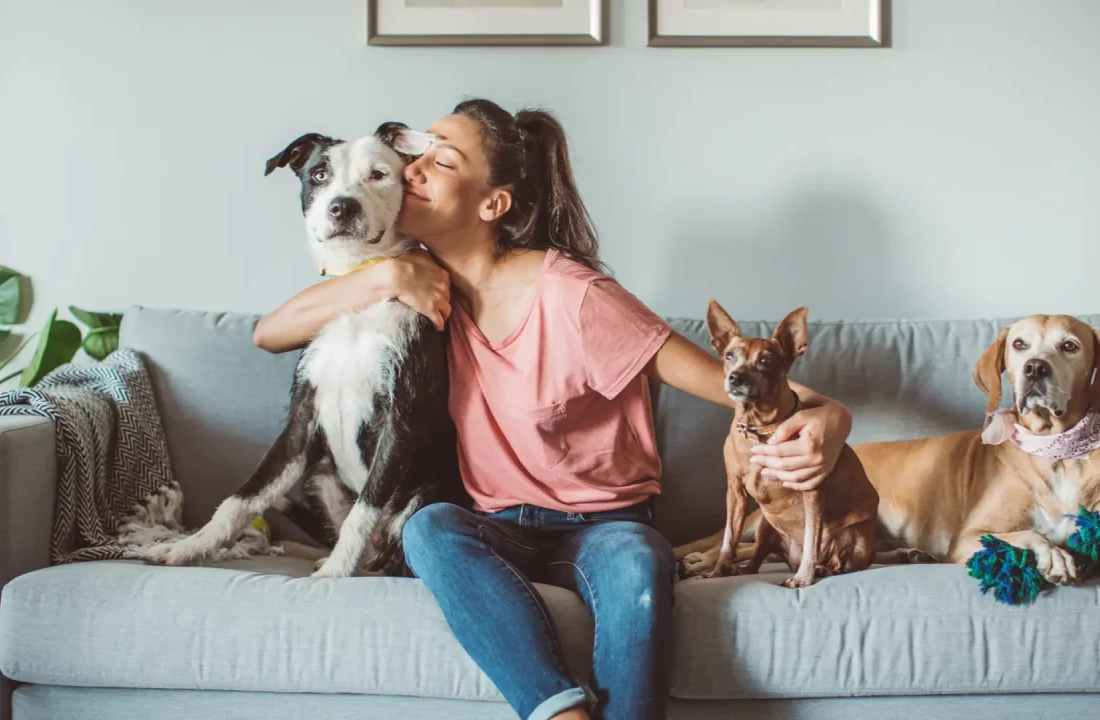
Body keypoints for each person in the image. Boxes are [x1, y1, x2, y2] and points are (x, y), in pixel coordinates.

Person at [253, 98, 852, 720]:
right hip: (495, 523)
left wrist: (833, 419)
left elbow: (731, 383)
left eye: (442, 160)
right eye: (419, 153)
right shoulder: (416, 282)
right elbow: (270, 333)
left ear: (493, 204)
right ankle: (561, 714)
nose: (414, 168)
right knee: (430, 527)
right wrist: (383, 279)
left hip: (602, 526)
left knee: (640, 561)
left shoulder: (577, 296)